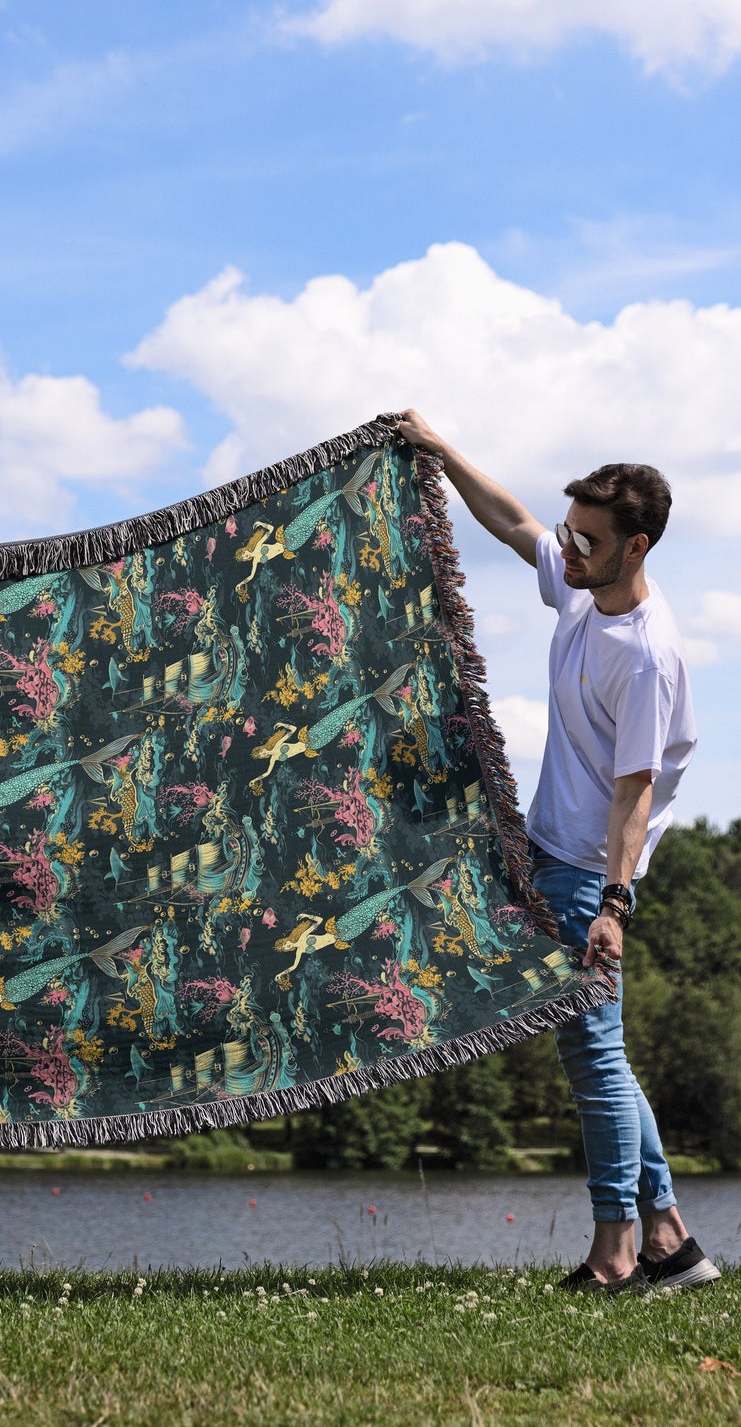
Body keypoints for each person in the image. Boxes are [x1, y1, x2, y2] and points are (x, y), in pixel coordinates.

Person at [396, 409, 719, 1294]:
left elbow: (635, 792)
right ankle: (674, 1243)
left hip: (587, 874)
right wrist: (439, 449)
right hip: (552, 857)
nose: (567, 548)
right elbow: (512, 523)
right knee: (602, 1055)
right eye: (571, 531)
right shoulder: (581, 585)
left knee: (594, 1062)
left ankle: (616, 1254)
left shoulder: (647, 654)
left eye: (587, 538)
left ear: (636, 547)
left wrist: (612, 907)